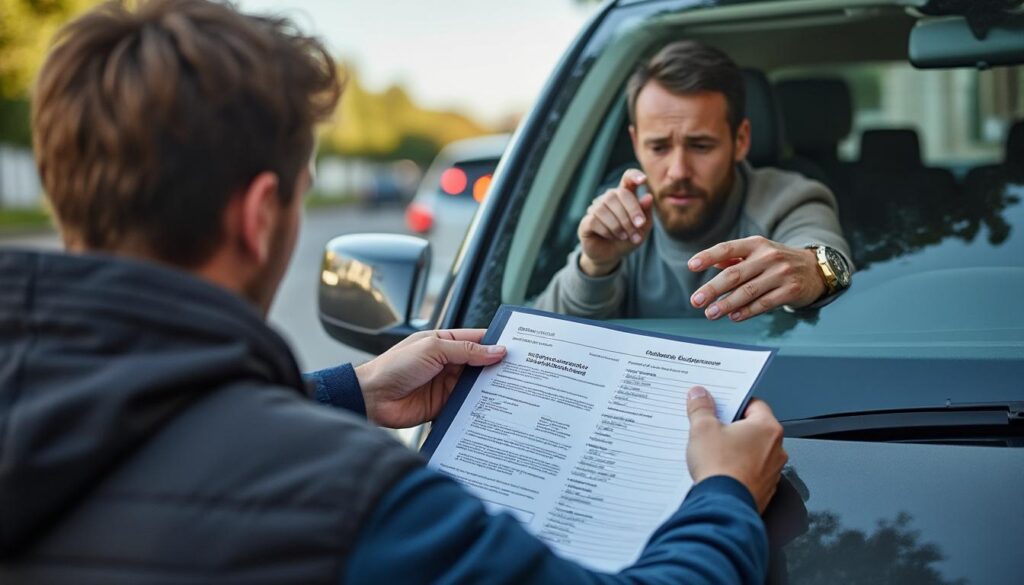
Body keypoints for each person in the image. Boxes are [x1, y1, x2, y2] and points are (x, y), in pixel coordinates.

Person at [0, 2, 787, 583]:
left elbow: (132, 423)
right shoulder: (345, 501)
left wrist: (352, 390)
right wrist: (721, 493)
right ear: (258, 216)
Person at [534, 40, 853, 321]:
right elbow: (541, 336)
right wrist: (595, 266)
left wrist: (812, 270)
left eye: (700, 146)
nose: (678, 171)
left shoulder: (787, 198)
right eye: (658, 147)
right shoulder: (621, 214)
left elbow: (825, 253)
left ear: (740, 140)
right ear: (636, 144)